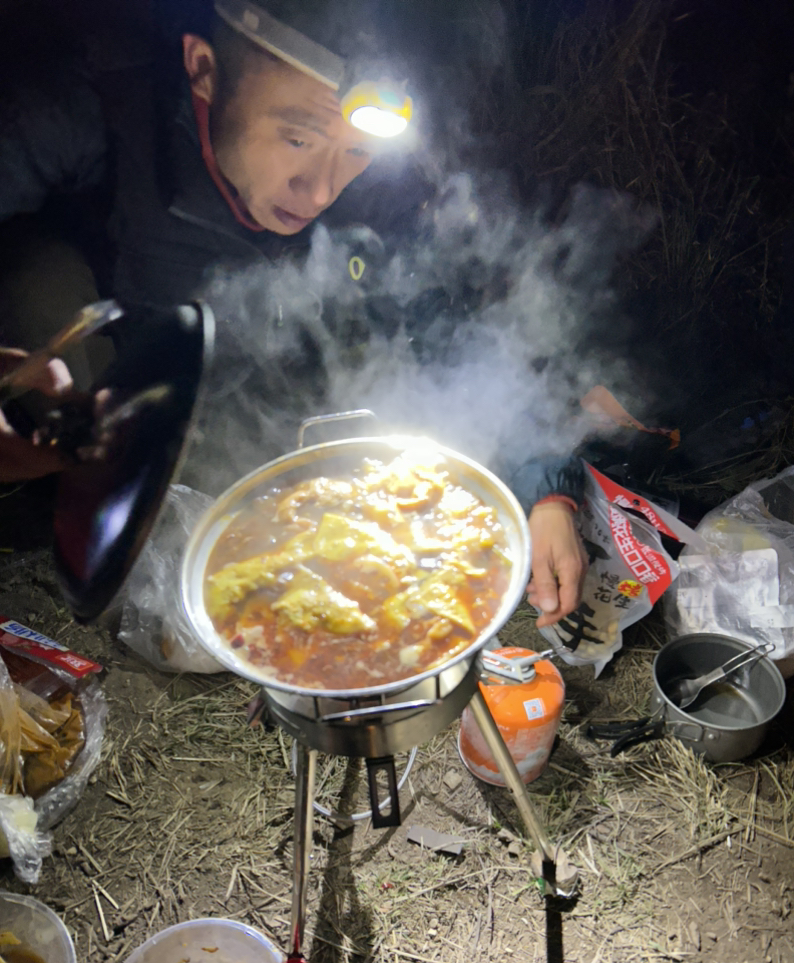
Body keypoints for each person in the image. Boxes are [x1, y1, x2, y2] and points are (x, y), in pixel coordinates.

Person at [0, 0, 587, 625]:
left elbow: (457, 327)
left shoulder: (378, 189)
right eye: (297, 138)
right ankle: (69, 491)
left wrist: (546, 493)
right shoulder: (102, 100)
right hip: (106, 366)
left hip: (246, 389)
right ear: (203, 69)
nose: (321, 188)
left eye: (356, 149)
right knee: (41, 280)